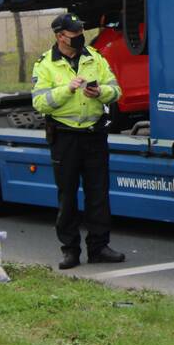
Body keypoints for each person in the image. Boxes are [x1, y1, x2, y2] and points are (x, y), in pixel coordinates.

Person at [31, 13, 125, 270]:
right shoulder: (45, 64)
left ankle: (99, 247)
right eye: (74, 33)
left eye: (81, 31)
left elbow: (116, 90)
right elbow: (39, 102)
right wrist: (67, 89)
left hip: (94, 134)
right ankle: (70, 250)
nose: (80, 36)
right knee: (68, 196)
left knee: (98, 194)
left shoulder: (94, 57)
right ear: (60, 36)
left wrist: (100, 92)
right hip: (64, 136)